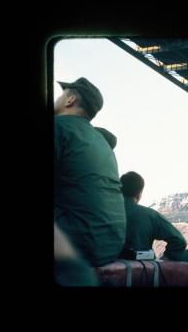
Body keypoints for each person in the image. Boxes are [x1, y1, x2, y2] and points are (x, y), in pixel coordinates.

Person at [54, 77, 126, 267]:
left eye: (61, 95)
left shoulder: (58, 127)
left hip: (74, 244)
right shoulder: (101, 140)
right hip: (108, 247)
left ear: (70, 100)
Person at [119, 171, 186, 260]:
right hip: (142, 270)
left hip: (103, 269)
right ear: (139, 194)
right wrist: (162, 262)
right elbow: (179, 241)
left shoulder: (103, 212)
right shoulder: (150, 215)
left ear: (119, 190)